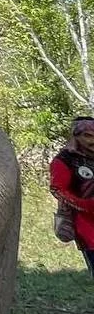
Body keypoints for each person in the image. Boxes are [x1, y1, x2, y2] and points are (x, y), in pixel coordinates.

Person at [50, 117, 94, 277]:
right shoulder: (64, 161)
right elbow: (57, 188)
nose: (92, 140)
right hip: (86, 226)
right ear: (77, 136)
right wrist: (84, 205)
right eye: (88, 135)